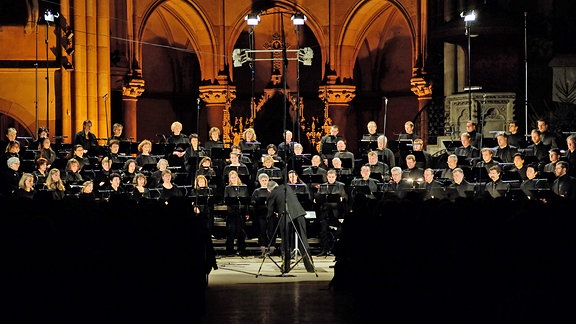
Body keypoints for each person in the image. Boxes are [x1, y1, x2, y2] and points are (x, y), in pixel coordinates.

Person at [266, 180, 315, 272]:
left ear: (269, 190)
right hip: (299, 213)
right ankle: (310, 267)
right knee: (303, 240)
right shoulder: (287, 187)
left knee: (286, 241)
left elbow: (270, 211)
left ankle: (286, 267)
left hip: (286, 216)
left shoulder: (272, 193)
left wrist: (270, 219)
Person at [314, 169, 347, 256]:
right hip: (325, 212)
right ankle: (324, 250)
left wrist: (340, 199)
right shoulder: (322, 186)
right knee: (323, 231)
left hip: (336, 213)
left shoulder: (341, 186)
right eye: (329, 177)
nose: (331, 179)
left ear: (335, 177)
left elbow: (344, 198)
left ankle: (335, 250)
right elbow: (319, 197)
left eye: (333, 177)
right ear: (327, 177)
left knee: (337, 232)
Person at [223, 170, 249, 256]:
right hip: (231, 212)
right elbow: (226, 200)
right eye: (231, 177)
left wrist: (247, 213)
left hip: (241, 212)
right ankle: (229, 250)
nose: (233, 179)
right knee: (231, 230)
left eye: (234, 177)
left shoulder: (244, 187)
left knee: (241, 232)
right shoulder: (228, 188)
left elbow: (246, 202)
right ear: (229, 179)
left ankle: (241, 249)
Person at [250, 173, 273, 256]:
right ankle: (263, 250)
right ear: (260, 181)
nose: (264, 182)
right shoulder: (256, 191)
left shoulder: (271, 191)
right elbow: (252, 202)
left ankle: (271, 250)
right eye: (262, 180)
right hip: (260, 214)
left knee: (271, 231)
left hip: (270, 214)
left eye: (265, 180)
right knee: (261, 232)